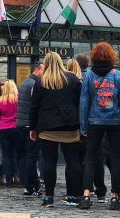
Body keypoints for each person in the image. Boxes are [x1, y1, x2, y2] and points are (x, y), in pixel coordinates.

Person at [78, 41, 120, 211]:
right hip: (115, 121)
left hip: (94, 121)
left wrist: (83, 124)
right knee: (114, 158)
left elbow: (84, 102)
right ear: (111, 56)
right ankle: (115, 197)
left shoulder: (89, 76)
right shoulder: (117, 75)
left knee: (90, 158)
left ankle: (86, 195)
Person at [29, 51, 83, 208]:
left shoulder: (40, 81)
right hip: (70, 125)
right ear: (60, 62)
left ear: (45, 63)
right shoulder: (73, 79)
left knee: (49, 162)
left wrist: (32, 127)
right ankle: (74, 195)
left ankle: (49, 197)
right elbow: (80, 102)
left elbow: (34, 108)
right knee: (73, 161)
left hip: (47, 127)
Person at [77, 52, 109, 203]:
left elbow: (83, 103)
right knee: (98, 159)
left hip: (88, 122)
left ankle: (85, 190)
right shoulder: (109, 75)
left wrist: (82, 124)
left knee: (86, 158)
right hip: (104, 119)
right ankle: (101, 190)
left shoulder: (82, 78)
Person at [16, 62, 43, 197]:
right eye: (43, 70)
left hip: (20, 124)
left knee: (25, 156)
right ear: (37, 70)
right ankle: (32, 186)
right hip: (29, 125)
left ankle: (29, 185)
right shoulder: (35, 84)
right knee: (32, 156)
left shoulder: (24, 84)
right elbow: (35, 107)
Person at [0, 80, 23, 187]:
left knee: (6, 154)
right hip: (16, 128)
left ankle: (8, 179)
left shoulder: (0, 101)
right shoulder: (18, 100)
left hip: (3, 129)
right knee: (19, 154)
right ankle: (19, 176)